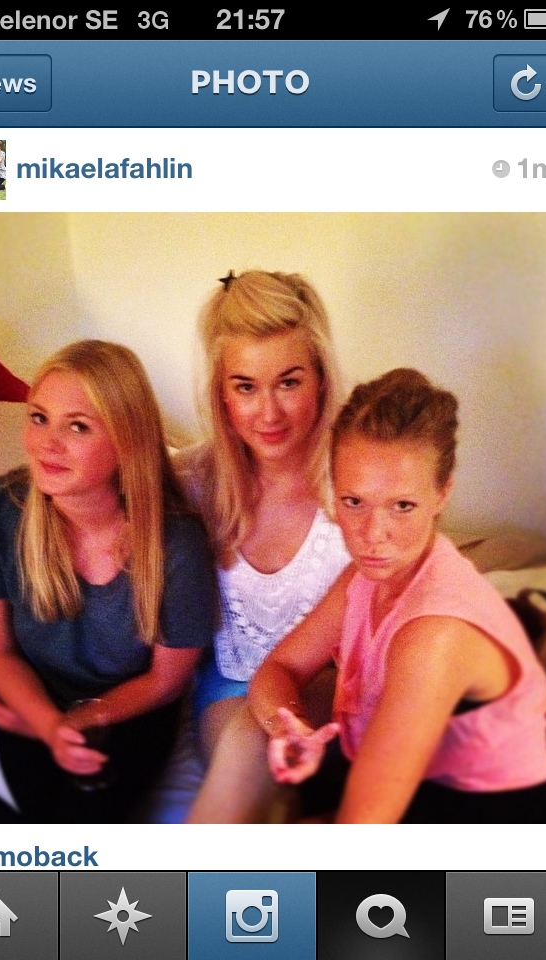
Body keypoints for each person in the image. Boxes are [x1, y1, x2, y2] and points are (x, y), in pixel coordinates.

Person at [247, 368, 546, 823]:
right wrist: (289, 726)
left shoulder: (434, 636)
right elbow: (280, 668)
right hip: (393, 775)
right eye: (354, 501)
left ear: (442, 494)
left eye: (403, 506)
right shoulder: (365, 578)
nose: (374, 536)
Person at [0, 340, 217, 823]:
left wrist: (78, 722)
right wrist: (47, 725)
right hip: (32, 696)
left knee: (75, 830)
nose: (47, 443)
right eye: (39, 418)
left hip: (131, 711)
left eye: (77, 426)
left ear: (126, 442)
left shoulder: (177, 545)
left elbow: (166, 680)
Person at [182, 270, 350, 822]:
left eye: (289, 382)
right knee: (249, 762)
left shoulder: (354, 480)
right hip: (230, 687)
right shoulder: (195, 482)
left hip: (329, 684)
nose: (269, 413)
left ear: (320, 379)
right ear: (221, 393)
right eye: (246, 387)